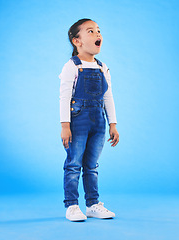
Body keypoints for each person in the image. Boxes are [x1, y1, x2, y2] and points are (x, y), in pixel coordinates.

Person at [59, 18, 119, 222]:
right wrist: (65, 125)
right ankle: (72, 205)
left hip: (99, 121)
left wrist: (113, 123)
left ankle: (92, 204)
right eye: (91, 31)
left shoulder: (103, 67)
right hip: (78, 121)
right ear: (77, 41)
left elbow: (108, 96)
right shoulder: (72, 66)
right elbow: (65, 96)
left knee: (92, 165)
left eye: (99, 31)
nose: (98, 34)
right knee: (74, 163)